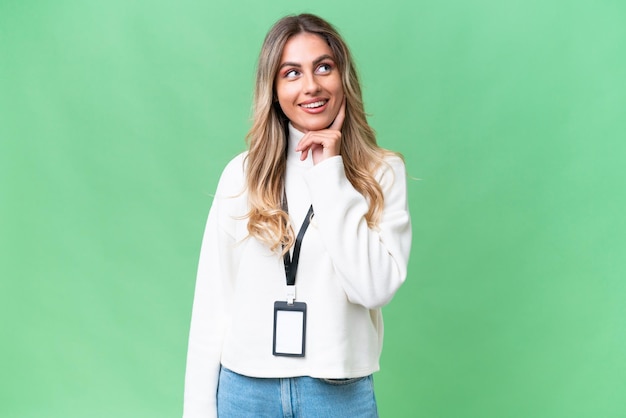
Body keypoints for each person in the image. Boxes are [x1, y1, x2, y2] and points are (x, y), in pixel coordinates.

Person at [183, 13, 411, 418]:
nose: (311, 86)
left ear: (343, 78)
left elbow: (374, 288)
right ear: (273, 90)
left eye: (324, 67)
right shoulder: (242, 172)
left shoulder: (382, 171)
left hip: (339, 394)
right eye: (292, 73)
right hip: (245, 390)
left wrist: (330, 174)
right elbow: (212, 301)